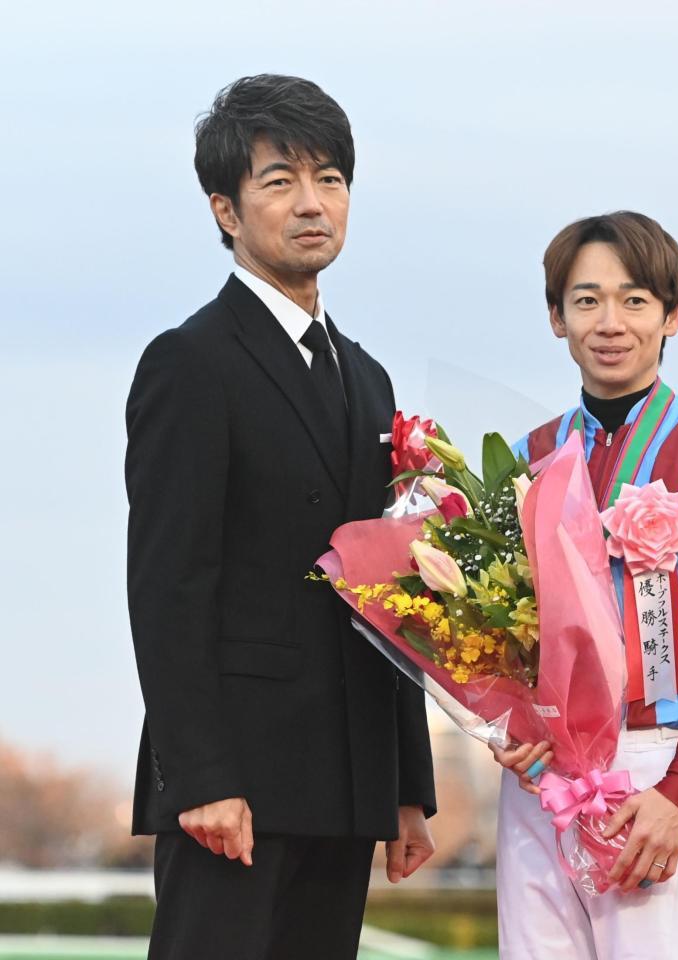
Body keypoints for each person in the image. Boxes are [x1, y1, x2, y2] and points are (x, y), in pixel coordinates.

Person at [125, 74, 436, 960]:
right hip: (236, 789)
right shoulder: (190, 363)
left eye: (331, 179)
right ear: (226, 211)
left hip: (346, 780)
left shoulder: (367, 377)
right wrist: (202, 779)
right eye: (280, 181)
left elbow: (394, 592)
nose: (313, 204)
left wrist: (407, 785)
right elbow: (168, 585)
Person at [493, 211, 678, 959]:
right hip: (539, 784)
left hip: (654, 772)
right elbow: (498, 631)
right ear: (556, 318)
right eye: (586, 300)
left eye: (635, 300)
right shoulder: (528, 458)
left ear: (671, 315)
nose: (609, 322)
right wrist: (507, 725)